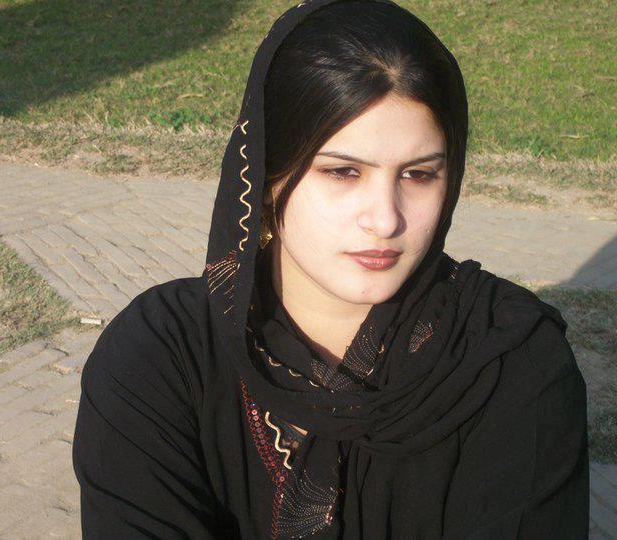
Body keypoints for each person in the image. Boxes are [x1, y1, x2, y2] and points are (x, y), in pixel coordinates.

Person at [72, 0, 590, 538]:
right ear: (266, 176)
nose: (385, 220)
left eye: (418, 174)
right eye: (343, 172)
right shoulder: (161, 356)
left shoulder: (509, 358)